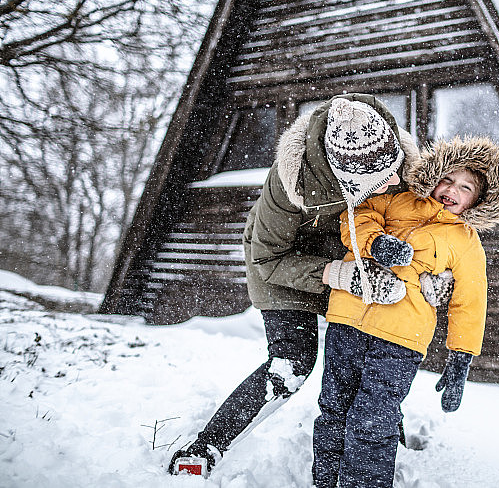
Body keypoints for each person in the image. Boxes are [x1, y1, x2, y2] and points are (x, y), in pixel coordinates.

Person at [169, 95, 420, 474]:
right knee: (291, 363)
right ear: (342, 176)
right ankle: (206, 449)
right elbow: (267, 258)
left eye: (394, 170)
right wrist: (338, 275)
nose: (396, 181)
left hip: (357, 258)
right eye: (380, 180)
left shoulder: (398, 159)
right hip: (282, 265)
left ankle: (377, 432)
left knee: (372, 353)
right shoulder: (292, 182)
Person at [312, 136, 499, 488]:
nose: (452, 190)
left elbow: (470, 302)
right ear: (435, 175)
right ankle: (325, 482)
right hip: (347, 320)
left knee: (373, 419)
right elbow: (357, 218)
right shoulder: (397, 200)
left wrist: (461, 357)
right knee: (334, 408)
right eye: (448, 179)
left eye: (466, 187)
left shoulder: (466, 241)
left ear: (479, 200)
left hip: (401, 340)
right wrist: (376, 242)